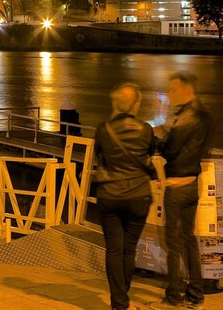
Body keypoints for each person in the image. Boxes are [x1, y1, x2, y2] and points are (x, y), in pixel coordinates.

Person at [94, 82, 155, 310]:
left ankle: (119, 302)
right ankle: (122, 299)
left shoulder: (103, 129)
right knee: (129, 249)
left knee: (114, 250)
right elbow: (149, 154)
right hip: (138, 196)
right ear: (137, 103)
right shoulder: (145, 130)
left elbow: (99, 156)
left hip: (110, 195)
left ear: (116, 104)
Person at [157, 71, 214, 308]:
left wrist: (160, 134)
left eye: (173, 89)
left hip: (177, 185)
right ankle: (196, 295)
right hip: (192, 184)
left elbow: (169, 151)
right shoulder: (205, 115)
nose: (170, 94)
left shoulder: (187, 118)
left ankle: (174, 295)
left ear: (186, 89)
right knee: (190, 239)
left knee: (174, 243)